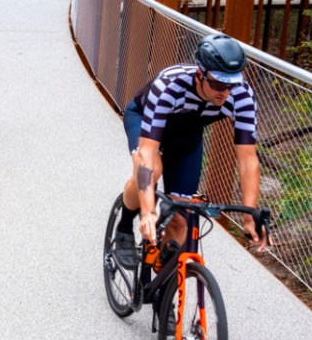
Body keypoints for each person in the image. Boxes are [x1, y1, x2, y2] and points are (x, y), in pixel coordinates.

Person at [112, 32, 265, 267]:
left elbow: (247, 160)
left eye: (231, 84)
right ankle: (124, 228)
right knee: (151, 171)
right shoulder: (170, 85)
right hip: (145, 121)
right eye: (217, 83)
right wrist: (147, 211)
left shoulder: (241, 96)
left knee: (180, 220)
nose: (225, 92)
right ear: (199, 74)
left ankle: (164, 289)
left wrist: (249, 214)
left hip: (186, 136)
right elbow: (146, 153)